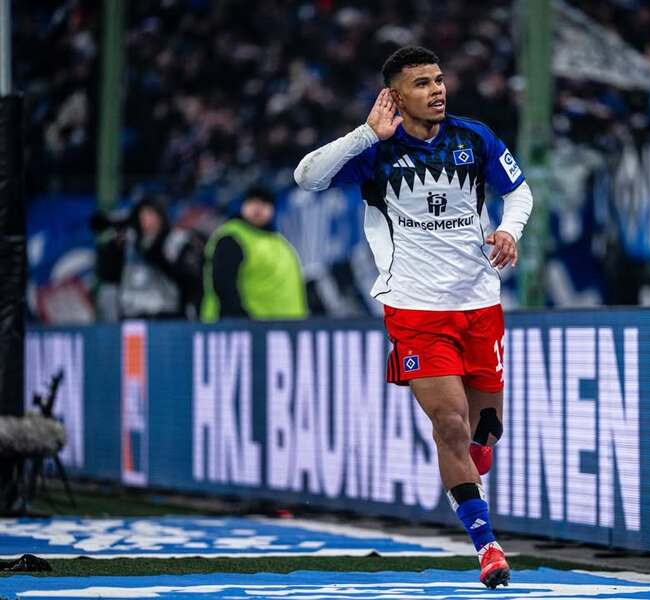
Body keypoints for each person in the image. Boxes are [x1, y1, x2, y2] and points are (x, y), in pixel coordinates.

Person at [294, 46, 533, 588]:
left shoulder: (474, 138)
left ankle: (472, 461)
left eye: (439, 79)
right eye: (422, 83)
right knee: (449, 425)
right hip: (415, 310)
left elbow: (519, 193)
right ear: (395, 97)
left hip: (479, 304)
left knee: (485, 432)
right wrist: (365, 134)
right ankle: (487, 547)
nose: (437, 90)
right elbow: (307, 177)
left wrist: (508, 230)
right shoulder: (376, 150)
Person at [201, 185, 308, 321]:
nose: (257, 208)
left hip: (284, 327)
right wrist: (240, 320)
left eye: (264, 203)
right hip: (247, 328)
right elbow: (223, 285)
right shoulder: (233, 237)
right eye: (252, 202)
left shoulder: (279, 242)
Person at [94, 196, 204, 320]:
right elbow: (108, 275)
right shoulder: (129, 241)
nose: (146, 220)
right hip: (132, 315)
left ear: (161, 216)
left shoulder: (175, 240)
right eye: (142, 215)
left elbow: (189, 281)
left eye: (150, 214)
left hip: (167, 315)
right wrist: (114, 248)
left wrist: (154, 250)